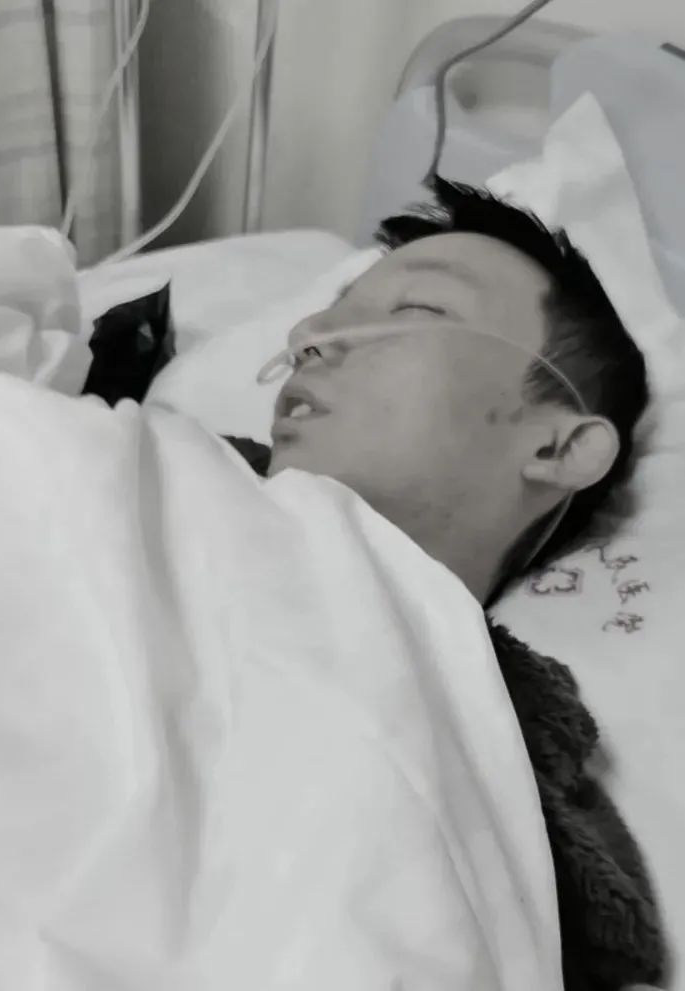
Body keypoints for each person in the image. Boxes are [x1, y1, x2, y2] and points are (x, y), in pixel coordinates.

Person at [225, 178, 669, 991]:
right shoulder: (148, 466)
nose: (310, 336)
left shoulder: (502, 774)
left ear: (558, 446)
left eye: (416, 310)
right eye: (327, 312)